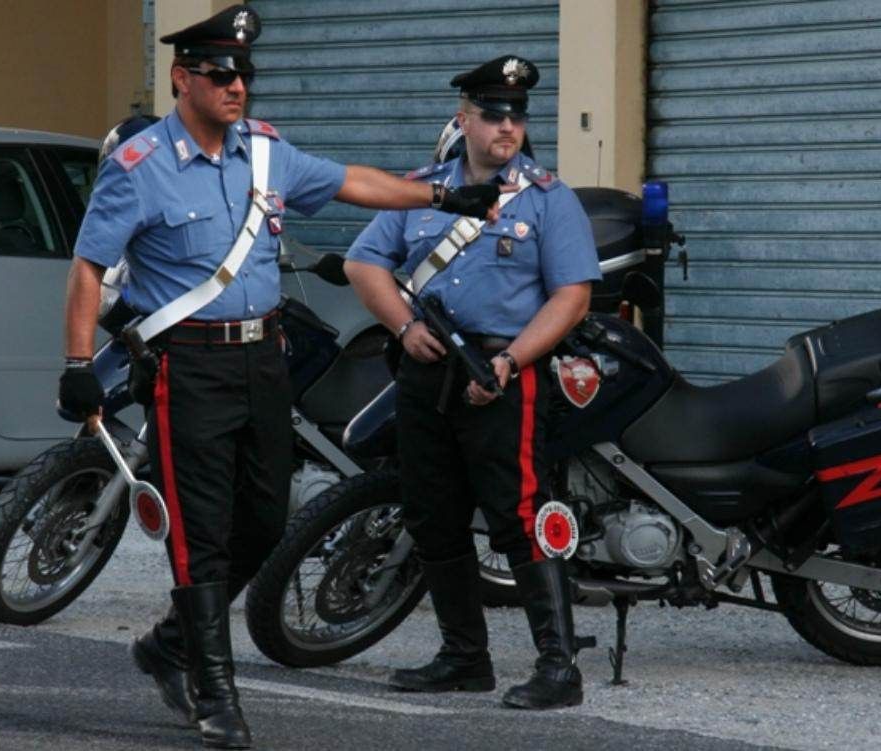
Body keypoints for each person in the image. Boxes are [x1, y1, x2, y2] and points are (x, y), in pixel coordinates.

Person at [56, 6, 501, 749]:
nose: (238, 86)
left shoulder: (265, 153)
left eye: (245, 75)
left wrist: (440, 196)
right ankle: (214, 690)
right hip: (187, 364)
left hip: (264, 358)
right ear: (182, 78)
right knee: (199, 531)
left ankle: (170, 641)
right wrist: (77, 364)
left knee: (263, 522)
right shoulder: (139, 168)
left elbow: (352, 181)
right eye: (222, 74)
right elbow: (89, 267)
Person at [343, 55, 601, 710]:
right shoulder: (423, 189)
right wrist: (403, 326)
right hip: (427, 372)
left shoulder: (548, 198)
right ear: (464, 118)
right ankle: (464, 655)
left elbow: (572, 296)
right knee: (434, 513)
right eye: (492, 114)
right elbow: (363, 261)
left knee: (519, 513)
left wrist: (513, 360)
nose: (507, 126)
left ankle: (558, 665)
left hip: (503, 373)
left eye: (516, 115)